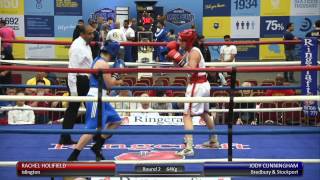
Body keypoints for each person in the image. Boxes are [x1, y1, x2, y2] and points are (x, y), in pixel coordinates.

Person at [67, 41, 124, 161]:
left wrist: (115, 76)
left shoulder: (99, 59)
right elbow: (109, 85)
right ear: (113, 52)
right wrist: (117, 77)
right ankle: (73, 156)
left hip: (102, 98)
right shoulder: (103, 64)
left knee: (116, 121)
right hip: (95, 98)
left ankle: (97, 146)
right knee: (92, 129)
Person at [166, 29, 219, 156]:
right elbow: (179, 66)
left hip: (197, 85)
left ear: (187, 41)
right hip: (202, 84)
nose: (178, 42)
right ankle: (214, 140)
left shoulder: (194, 53)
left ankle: (189, 148)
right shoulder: (189, 51)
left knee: (187, 115)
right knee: (205, 113)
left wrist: (178, 57)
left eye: (181, 40)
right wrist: (175, 56)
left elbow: (191, 70)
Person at [59, 25, 94, 145]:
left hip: (85, 80)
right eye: (89, 34)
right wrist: (73, 91)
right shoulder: (77, 47)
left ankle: (92, 135)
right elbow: (72, 70)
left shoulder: (85, 44)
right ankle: (65, 137)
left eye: (92, 33)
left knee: (91, 107)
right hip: (78, 81)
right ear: (82, 34)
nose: (92, 36)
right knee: (74, 109)